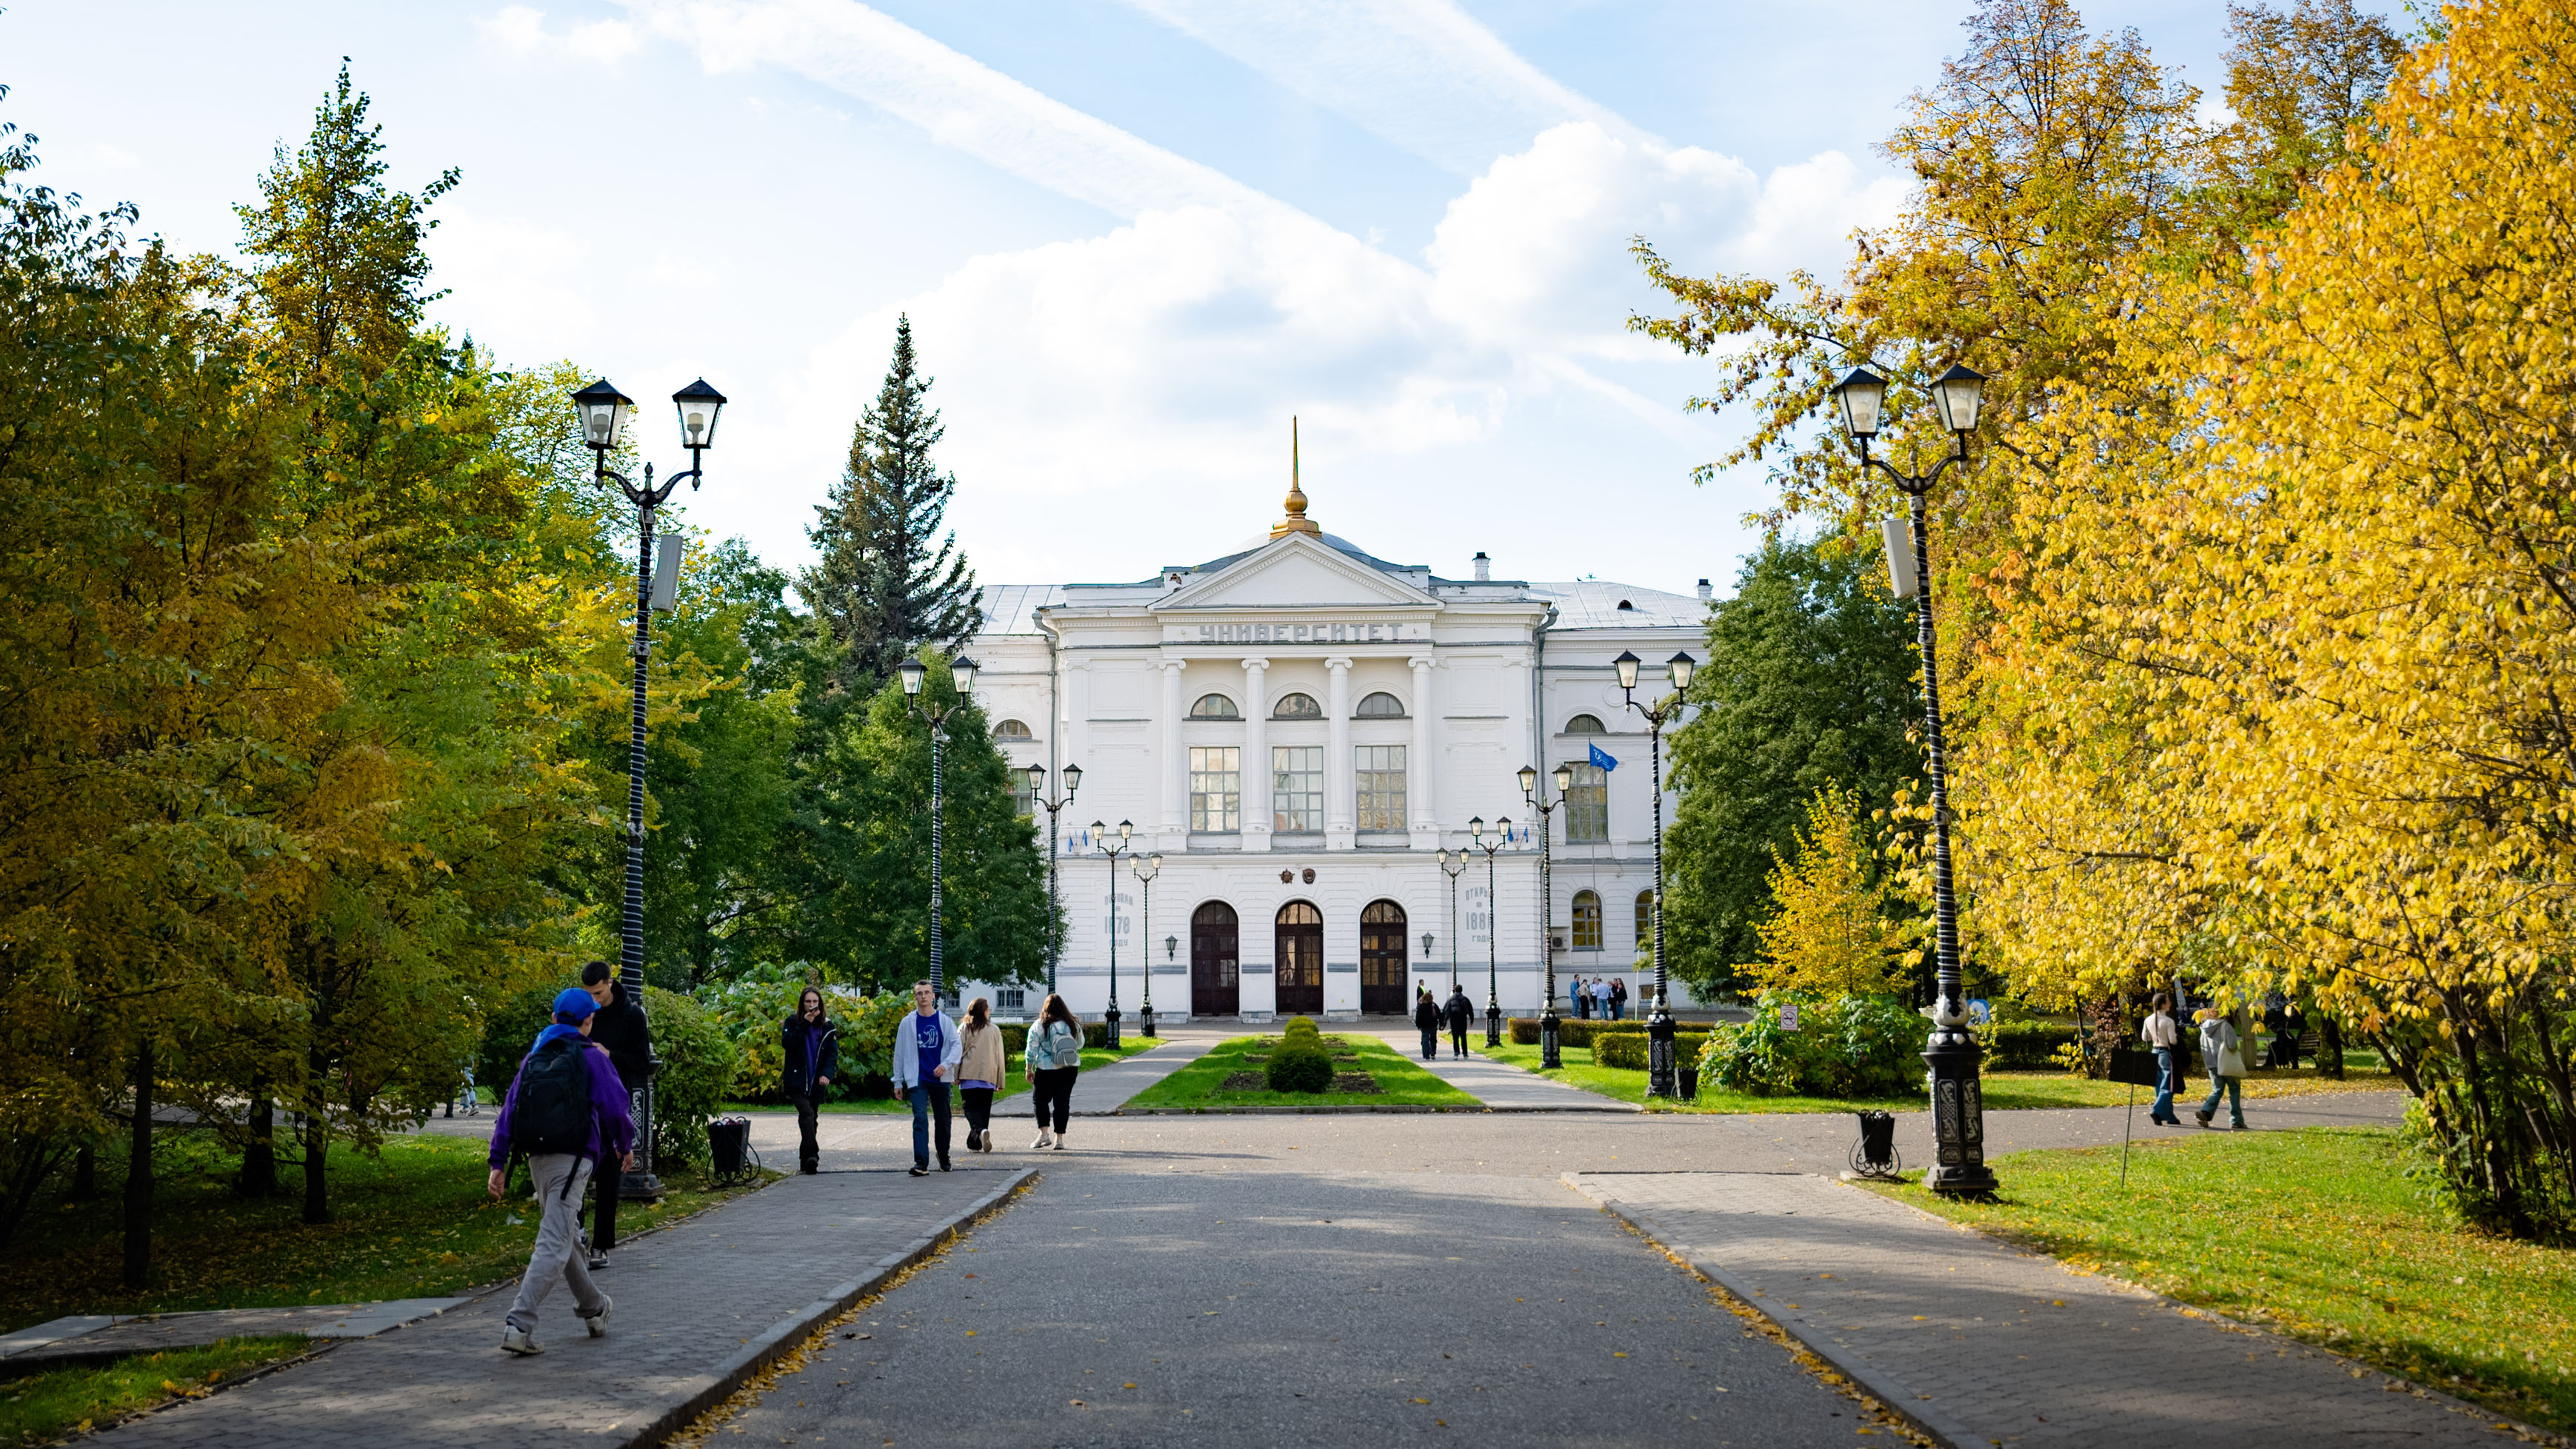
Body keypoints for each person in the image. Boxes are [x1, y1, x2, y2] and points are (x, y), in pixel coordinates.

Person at [487, 988, 634, 1356]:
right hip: (575, 1159)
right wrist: (624, 1144)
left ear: (554, 1019)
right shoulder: (591, 1057)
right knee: (554, 1243)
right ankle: (518, 1324)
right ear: (588, 1023)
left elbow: (509, 1110)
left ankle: (594, 1307)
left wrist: (497, 1162)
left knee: (563, 1236)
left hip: (538, 1158)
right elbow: (616, 1108)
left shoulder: (533, 1056)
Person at [579, 961, 652, 1265]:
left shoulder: (632, 1015)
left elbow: (643, 1063)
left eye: (598, 993)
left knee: (609, 1176)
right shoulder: (582, 1009)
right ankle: (578, 1231)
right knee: (576, 1172)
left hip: (611, 1100)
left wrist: (610, 1056)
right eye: (589, 994)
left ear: (610, 982)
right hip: (581, 1102)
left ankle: (601, 1245)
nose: (593, 1001)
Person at [890, 981, 961, 1176]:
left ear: (933, 996)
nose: (923, 997)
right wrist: (898, 1081)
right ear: (915, 997)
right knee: (920, 1118)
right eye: (919, 993)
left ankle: (943, 1155)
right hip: (917, 1078)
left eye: (927, 993)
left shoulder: (944, 1021)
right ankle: (921, 1162)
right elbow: (900, 1054)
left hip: (940, 1077)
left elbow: (957, 1046)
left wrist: (945, 1065)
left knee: (943, 1119)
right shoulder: (907, 1023)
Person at [779, 986, 838, 1174]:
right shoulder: (792, 1021)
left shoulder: (828, 1026)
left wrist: (827, 1074)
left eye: (815, 1002)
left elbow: (832, 1055)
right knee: (806, 1113)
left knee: (812, 1118)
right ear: (802, 1004)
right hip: (797, 1078)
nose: (811, 1006)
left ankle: (806, 1161)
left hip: (816, 1079)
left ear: (820, 1004)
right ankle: (813, 1155)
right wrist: (804, 1024)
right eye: (808, 1002)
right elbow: (789, 1044)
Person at [1027, 994, 1083, 1151]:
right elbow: (1080, 1044)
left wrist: (1029, 1068)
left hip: (1046, 1068)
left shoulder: (1039, 1025)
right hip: (1069, 1068)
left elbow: (1031, 1049)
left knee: (1040, 1100)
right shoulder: (1072, 1024)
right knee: (1062, 1103)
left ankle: (1044, 1135)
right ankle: (1059, 1139)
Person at [956, 997, 1005, 1154]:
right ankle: (975, 1144)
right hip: (989, 1076)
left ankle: (981, 1132)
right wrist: (1000, 1080)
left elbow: (957, 1053)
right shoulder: (994, 1030)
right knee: (983, 1111)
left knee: (970, 1108)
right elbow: (1000, 1057)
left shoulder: (965, 1028)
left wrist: (955, 1075)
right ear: (984, 1011)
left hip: (969, 1075)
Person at [2195, 1006, 2247, 1130]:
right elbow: (2232, 1045)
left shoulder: (2204, 1027)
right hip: (2227, 1064)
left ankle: (2206, 1112)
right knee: (2234, 1090)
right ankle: (2236, 1120)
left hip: (2212, 1064)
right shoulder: (2226, 1026)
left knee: (2217, 1090)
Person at [2140, 992, 2182, 1126]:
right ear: (2163, 1004)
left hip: (2154, 1052)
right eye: (2168, 1002)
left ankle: (2169, 1116)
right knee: (2168, 1086)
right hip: (2165, 1052)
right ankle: (2156, 1110)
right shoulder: (2168, 1021)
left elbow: (2144, 1038)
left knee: (2158, 1085)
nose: (2170, 1004)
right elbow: (2173, 1040)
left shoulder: (2148, 1020)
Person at [1442, 983, 1473, 1060]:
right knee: (1463, 1037)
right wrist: (1471, 1020)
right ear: (1461, 990)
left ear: (1455, 990)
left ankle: (1456, 1053)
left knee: (1455, 1037)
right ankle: (1465, 1053)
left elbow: (1445, 1011)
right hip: (1463, 1020)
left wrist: (1443, 1023)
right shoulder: (1465, 999)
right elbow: (1470, 1010)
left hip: (1454, 1020)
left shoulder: (1450, 999)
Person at [1412, 984, 1441, 1060]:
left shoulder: (1421, 1007)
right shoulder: (1434, 1005)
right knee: (1433, 1040)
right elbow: (1439, 1015)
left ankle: (1426, 1056)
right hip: (1433, 1025)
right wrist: (1441, 1024)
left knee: (1425, 1040)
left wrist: (1418, 1025)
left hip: (1424, 1026)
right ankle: (1433, 1053)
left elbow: (1418, 1017)